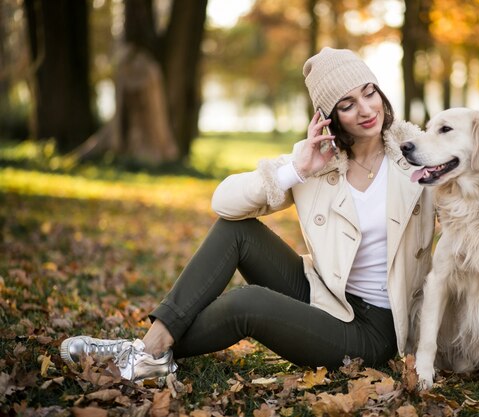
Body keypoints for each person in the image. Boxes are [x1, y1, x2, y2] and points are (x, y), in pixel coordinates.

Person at [60, 47, 436, 382]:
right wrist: (297, 169)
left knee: (249, 302)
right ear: (329, 117)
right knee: (235, 231)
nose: (366, 109)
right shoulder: (319, 162)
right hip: (326, 294)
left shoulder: (416, 160)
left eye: (369, 93)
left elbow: (470, 210)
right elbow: (224, 203)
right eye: (347, 104)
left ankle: (144, 351)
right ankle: (149, 352)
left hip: (373, 330)